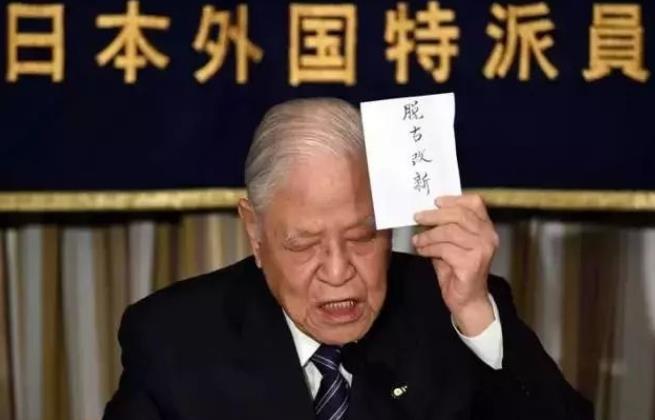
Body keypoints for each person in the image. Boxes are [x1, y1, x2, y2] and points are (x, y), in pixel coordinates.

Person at [103, 98, 593, 420]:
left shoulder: (451, 310)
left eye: (362, 237)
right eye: (303, 244)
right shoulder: (173, 338)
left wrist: (475, 317)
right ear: (254, 230)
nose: (338, 273)